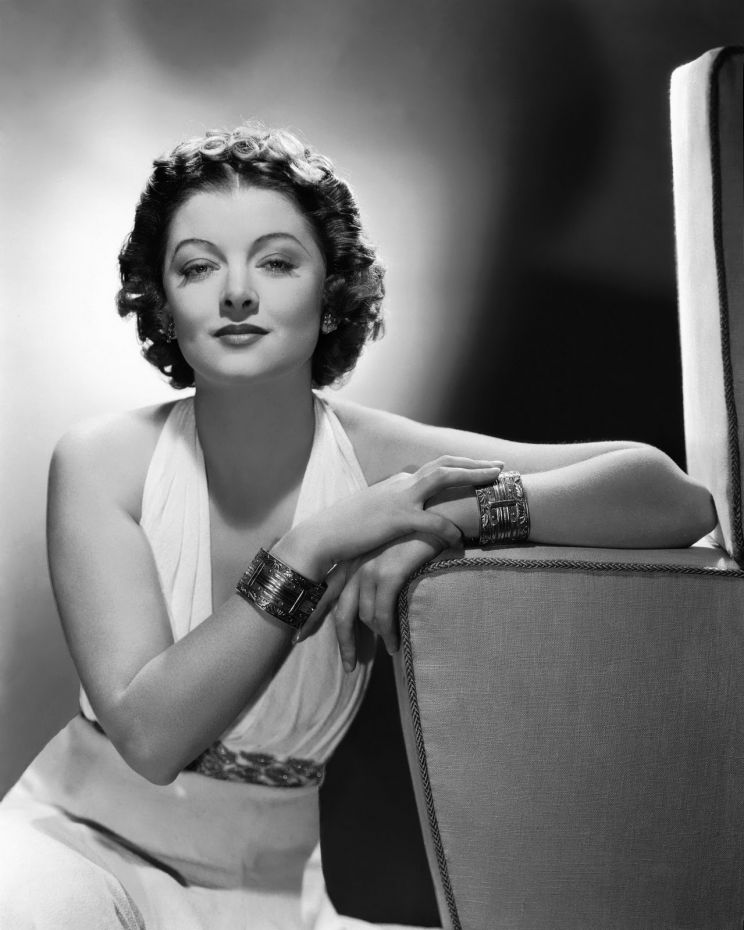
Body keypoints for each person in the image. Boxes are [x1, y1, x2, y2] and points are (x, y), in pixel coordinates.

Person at [0, 124, 716, 930]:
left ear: (331, 290)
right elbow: (151, 737)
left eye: (276, 262)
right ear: (163, 301)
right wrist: (311, 546)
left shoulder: (377, 460)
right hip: (80, 849)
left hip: (275, 896)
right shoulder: (103, 460)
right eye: (198, 267)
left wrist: (451, 518)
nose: (237, 294)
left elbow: (672, 498)